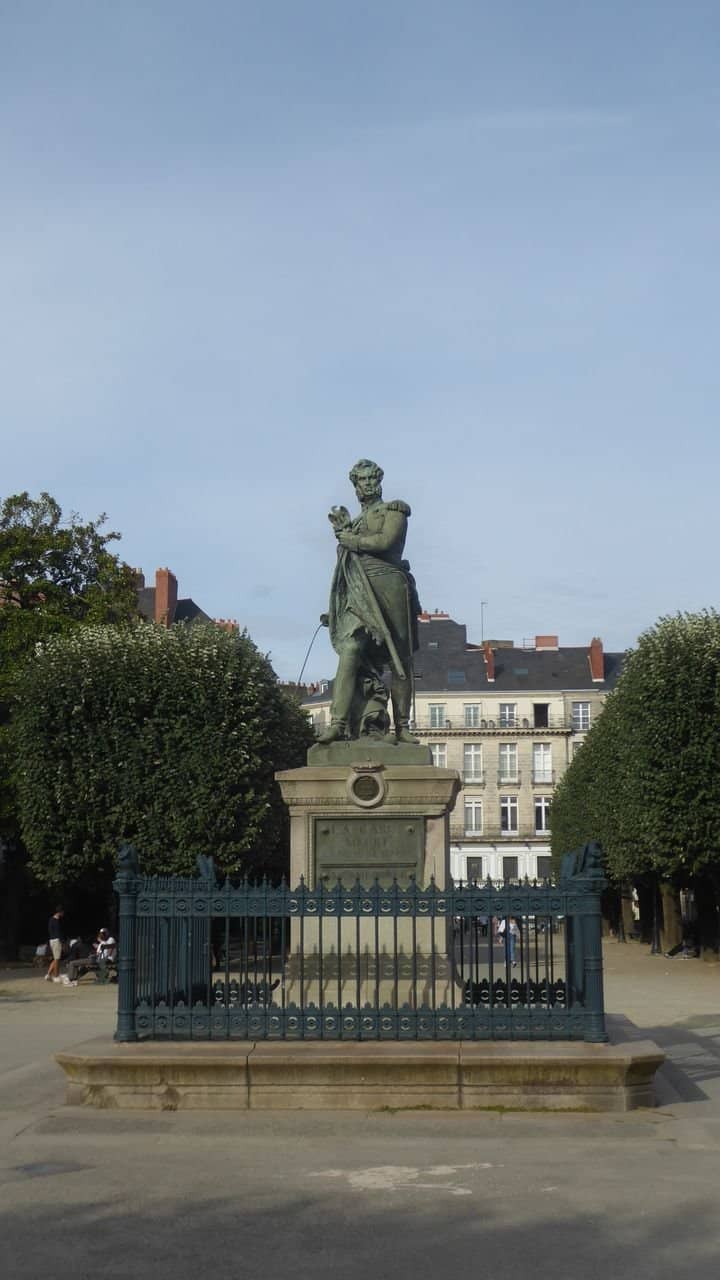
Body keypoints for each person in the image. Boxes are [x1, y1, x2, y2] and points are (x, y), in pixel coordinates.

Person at [318, 459, 422, 743]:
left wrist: (352, 542)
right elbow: (343, 571)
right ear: (355, 486)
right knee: (351, 649)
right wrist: (336, 609)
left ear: (379, 481)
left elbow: (386, 542)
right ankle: (338, 722)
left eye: (372, 479)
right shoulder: (352, 524)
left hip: (390, 584)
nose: (368, 484)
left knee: (399, 657)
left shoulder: (394, 510)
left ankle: (402, 727)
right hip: (358, 592)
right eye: (362, 480)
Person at [45, 907, 65, 983]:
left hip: (51, 940)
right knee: (57, 959)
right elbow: (58, 933)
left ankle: (48, 974)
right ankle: (56, 976)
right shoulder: (56, 921)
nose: (63, 914)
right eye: (62, 912)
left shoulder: (50, 920)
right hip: (56, 940)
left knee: (55, 958)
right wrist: (62, 942)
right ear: (59, 912)